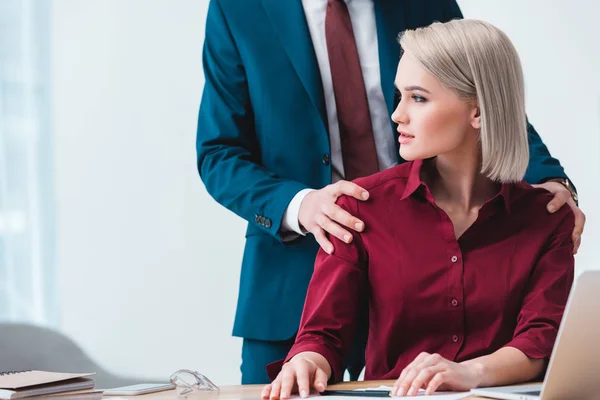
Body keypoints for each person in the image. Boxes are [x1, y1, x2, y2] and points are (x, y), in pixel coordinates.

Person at [196, 0, 585, 384]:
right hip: (298, 268)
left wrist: (552, 182)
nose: (399, 112)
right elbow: (219, 151)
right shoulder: (239, 9)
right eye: (402, 97)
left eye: (414, 98)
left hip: (428, 250)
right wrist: (301, 206)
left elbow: (483, 85)